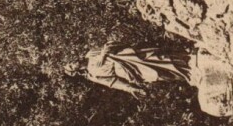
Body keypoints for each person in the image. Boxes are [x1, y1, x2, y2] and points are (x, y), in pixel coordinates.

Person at [63, 41, 193, 98]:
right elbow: (112, 82)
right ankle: (185, 74)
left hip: (126, 56)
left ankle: (184, 58)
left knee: (156, 57)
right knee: (156, 74)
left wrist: (104, 53)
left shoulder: (91, 53)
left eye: (70, 61)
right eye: (71, 65)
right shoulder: (92, 75)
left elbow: (109, 46)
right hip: (125, 72)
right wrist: (131, 88)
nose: (73, 62)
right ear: (74, 72)